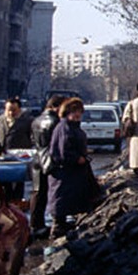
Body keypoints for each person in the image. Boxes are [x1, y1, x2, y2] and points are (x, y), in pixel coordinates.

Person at [47, 98, 96, 237]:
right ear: (66, 112)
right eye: (74, 111)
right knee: (61, 203)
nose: (77, 115)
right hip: (65, 173)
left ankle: (63, 228)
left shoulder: (71, 126)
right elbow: (63, 150)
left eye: (79, 112)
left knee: (65, 202)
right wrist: (77, 158)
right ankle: (57, 231)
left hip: (70, 173)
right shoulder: (65, 127)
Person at [28, 95, 66, 239]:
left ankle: (35, 224)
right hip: (51, 160)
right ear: (56, 107)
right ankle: (55, 223)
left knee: (37, 192)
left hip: (38, 159)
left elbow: (32, 139)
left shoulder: (36, 120)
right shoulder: (56, 122)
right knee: (55, 191)